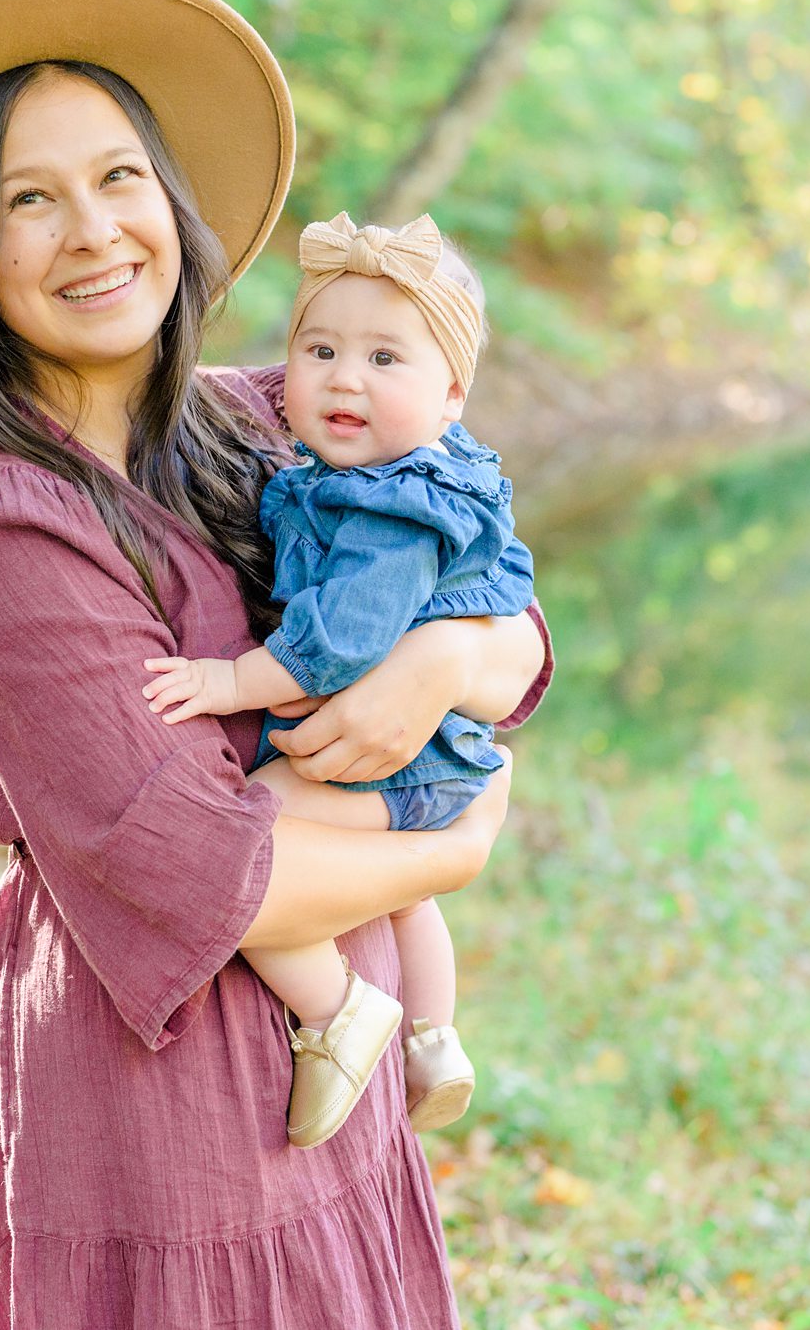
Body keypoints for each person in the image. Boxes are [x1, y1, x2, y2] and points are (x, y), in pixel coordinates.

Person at [0, 0, 553, 1329]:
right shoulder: (1, 527)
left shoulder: (262, 417)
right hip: (161, 1120)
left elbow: (507, 610)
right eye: (29, 199)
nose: (93, 231)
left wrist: (443, 665)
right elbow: (208, 874)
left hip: (338, 1097)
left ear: (173, 206)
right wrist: (458, 843)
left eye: (119, 176)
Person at [144, 210, 535, 1150]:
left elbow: (344, 641)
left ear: (454, 393)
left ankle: (341, 1007)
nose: (344, 377)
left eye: (385, 360)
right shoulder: (396, 477)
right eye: (318, 349)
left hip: (402, 758)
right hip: (436, 755)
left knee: (244, 839)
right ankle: (436, 1040)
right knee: (409, 894)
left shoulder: (393, 507)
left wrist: (229, 680)